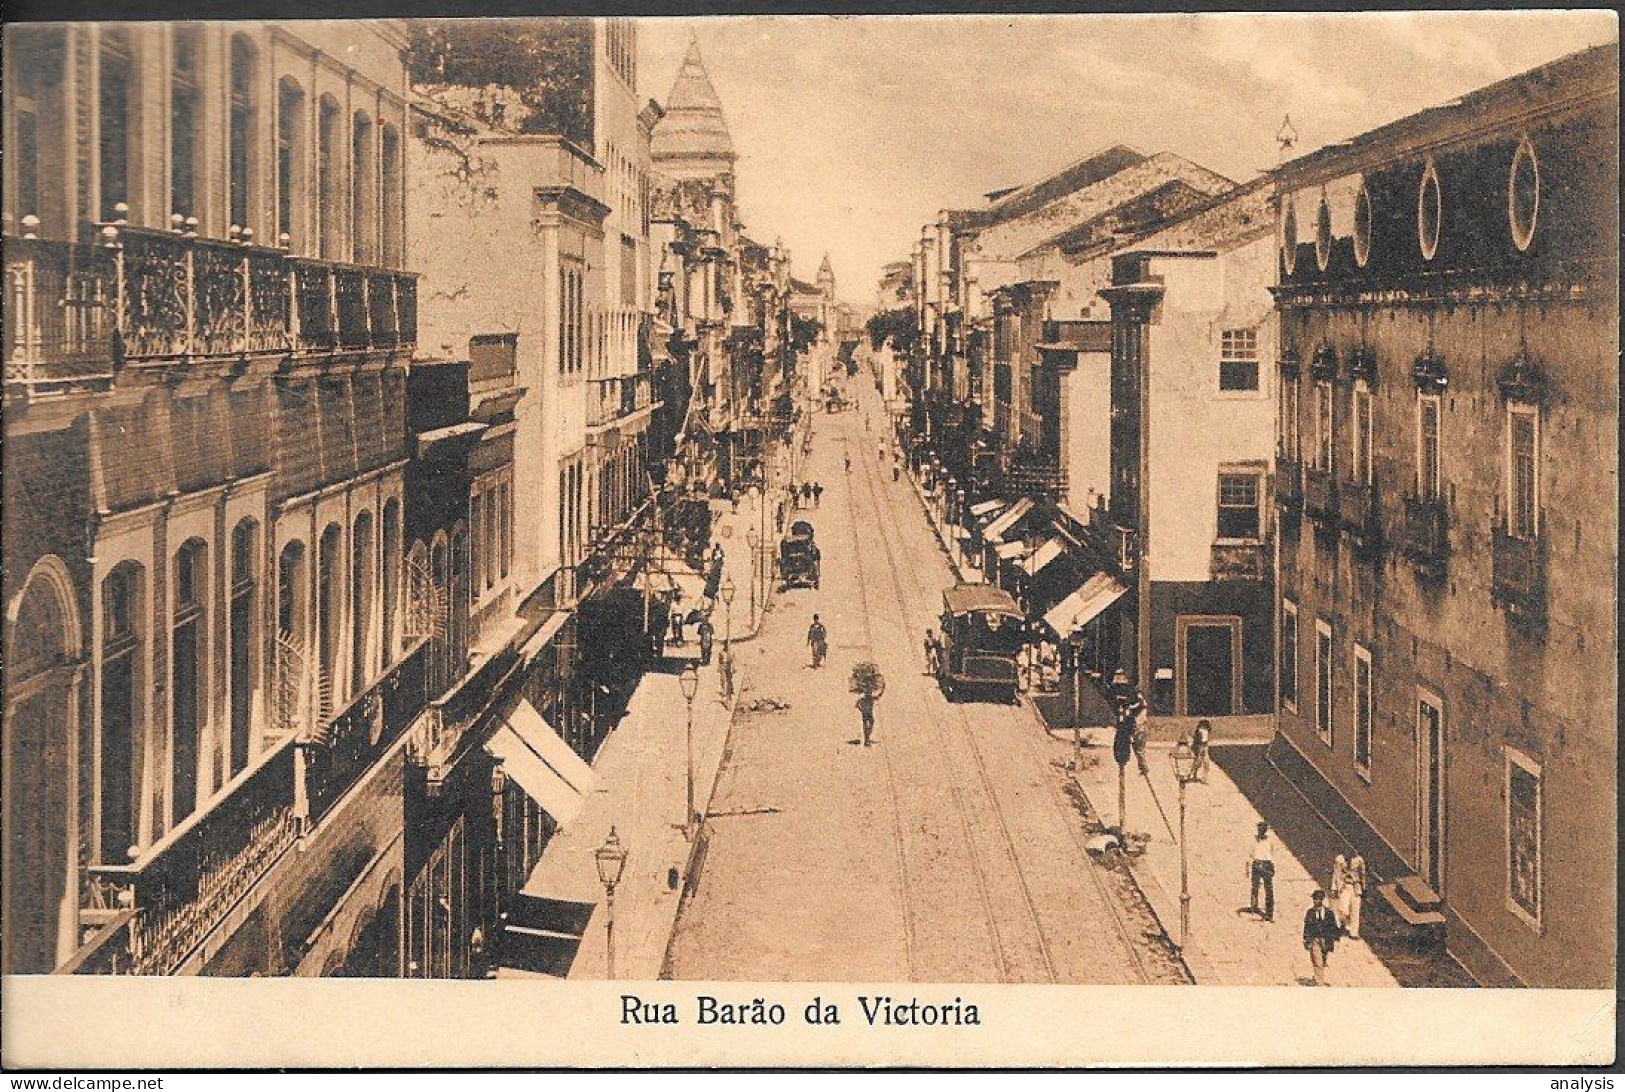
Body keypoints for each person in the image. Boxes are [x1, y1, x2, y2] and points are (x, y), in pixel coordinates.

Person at [1303, 889, 1340, 986]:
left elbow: (1333, 926)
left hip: (1326, 941)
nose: (1315, 901)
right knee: (1317, 960)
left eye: (1317, 899)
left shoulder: (1329, 913)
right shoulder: (1310, 912)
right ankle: (1319, 981)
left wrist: (1335, 937)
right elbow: (1306, 926)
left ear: (1322, 900)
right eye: (1314, 899)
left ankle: (1317, 978)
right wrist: (1306, 940)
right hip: (1315, 939)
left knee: (1322, 960)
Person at [1330, 851, 1368, 939]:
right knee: (1343, 909)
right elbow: (1336, 874)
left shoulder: (1359, 860)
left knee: (1355, 910)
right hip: (1344, 886)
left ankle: (1353, 933)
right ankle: (1343, 924)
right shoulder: (1339, 859)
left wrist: (1364, 887)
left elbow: (1362, 874)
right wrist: (1334, 887)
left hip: (1356, 887)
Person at [1249, 821, 1276, 922]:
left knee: (1268, 890)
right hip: (1257, 864)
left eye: (1263, 829)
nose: (1261, 831)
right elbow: (1251, 854)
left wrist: (1272, 867)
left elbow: (1271, 855)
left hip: (1266, 864)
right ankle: (1254, 907)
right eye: (1260, 829)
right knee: (1255, 887)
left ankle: (1269, 913)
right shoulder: (1254, 840)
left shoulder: (1269, 842)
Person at [1190, 718, 1213, 783]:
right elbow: (1196, 740)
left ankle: (1204, 778)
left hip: (1204, 746)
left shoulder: (1206, 731)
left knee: (1206, 763)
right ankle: (1195, 775)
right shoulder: (1198, 731)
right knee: (1199, 763)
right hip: (1200, 746)